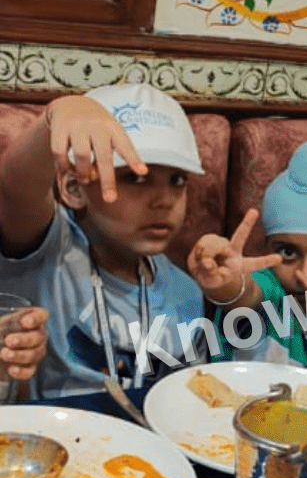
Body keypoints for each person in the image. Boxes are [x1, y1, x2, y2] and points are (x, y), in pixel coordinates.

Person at [0, 84, 207, 396]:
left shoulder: (186, 294)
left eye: (177, 180)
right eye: (135, 178)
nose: (164, 200)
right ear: (74, 188)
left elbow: (188, 397)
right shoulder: (51, 251)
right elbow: (14, 191)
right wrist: (57, 115)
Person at [188, 140, 307, 366]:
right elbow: (244, 294)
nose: (305, 274)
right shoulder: (270, 287)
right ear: (268, 247)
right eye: (288, 252)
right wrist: (223, 284)